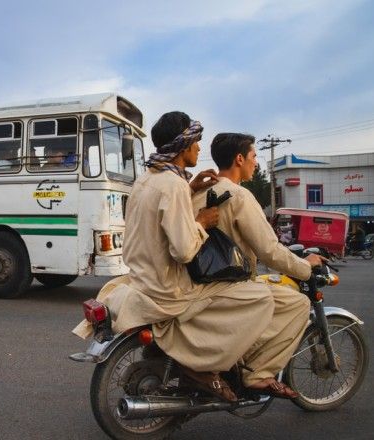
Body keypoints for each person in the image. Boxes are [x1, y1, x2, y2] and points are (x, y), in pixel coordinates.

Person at [73, 112, 275, 402]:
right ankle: (204, 365)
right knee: (260, 296)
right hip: (169, 289)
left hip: (141, 278)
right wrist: (202, 222)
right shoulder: (174, 185)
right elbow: (183, 250)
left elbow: (158, 217)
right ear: (183, 145)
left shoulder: (147, 179)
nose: (198, 149)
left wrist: (190, 189)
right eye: (196, 142)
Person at [191, 133, 324, 398]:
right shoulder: (239, 195)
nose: (256, 164)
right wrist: (306, 267)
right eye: (253, 157)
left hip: (197, 281)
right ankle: (257, 373)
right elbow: (269, 250)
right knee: (297, 304)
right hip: (228, 284)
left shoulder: (198, 191)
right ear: (239, 159)